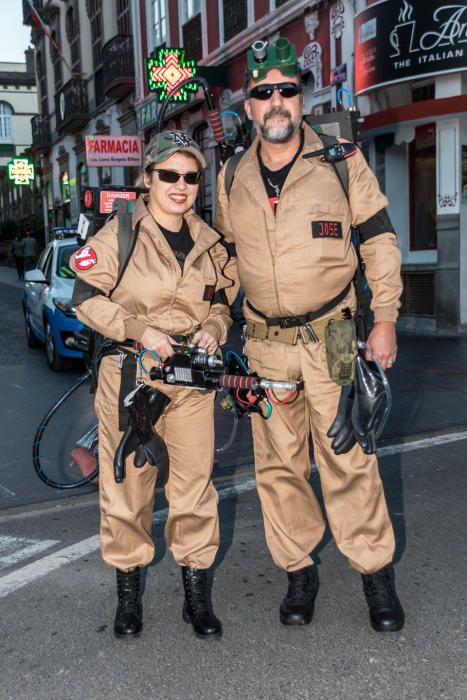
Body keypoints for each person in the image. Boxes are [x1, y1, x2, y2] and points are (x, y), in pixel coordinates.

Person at [215, 37, 405, 632]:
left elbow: (377, 239)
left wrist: (387, 319)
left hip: (339, 334)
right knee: (277, 466)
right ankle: (299, 570)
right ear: (248, 106)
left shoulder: (342, 161)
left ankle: (375, 573)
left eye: (287, 91)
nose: (276, 102)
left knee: (349, 455)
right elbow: (223, 266)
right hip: (264, 343)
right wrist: (220, 333)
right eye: (263, 93)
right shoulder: (229, 177)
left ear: (303, 98)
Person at [70, 131, 236, 640]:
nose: (180, 186)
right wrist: (140, 330)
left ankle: (196, 597)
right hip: (130, 377)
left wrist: (215, 327)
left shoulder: (210, 242)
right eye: (169, 175)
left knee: (194, 487)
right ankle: (128, 596)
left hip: (192, 381)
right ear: (148, 179)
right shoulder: (119, 233)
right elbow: (83, 298)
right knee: (126, 488)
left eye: (190, 176)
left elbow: (223, 302)